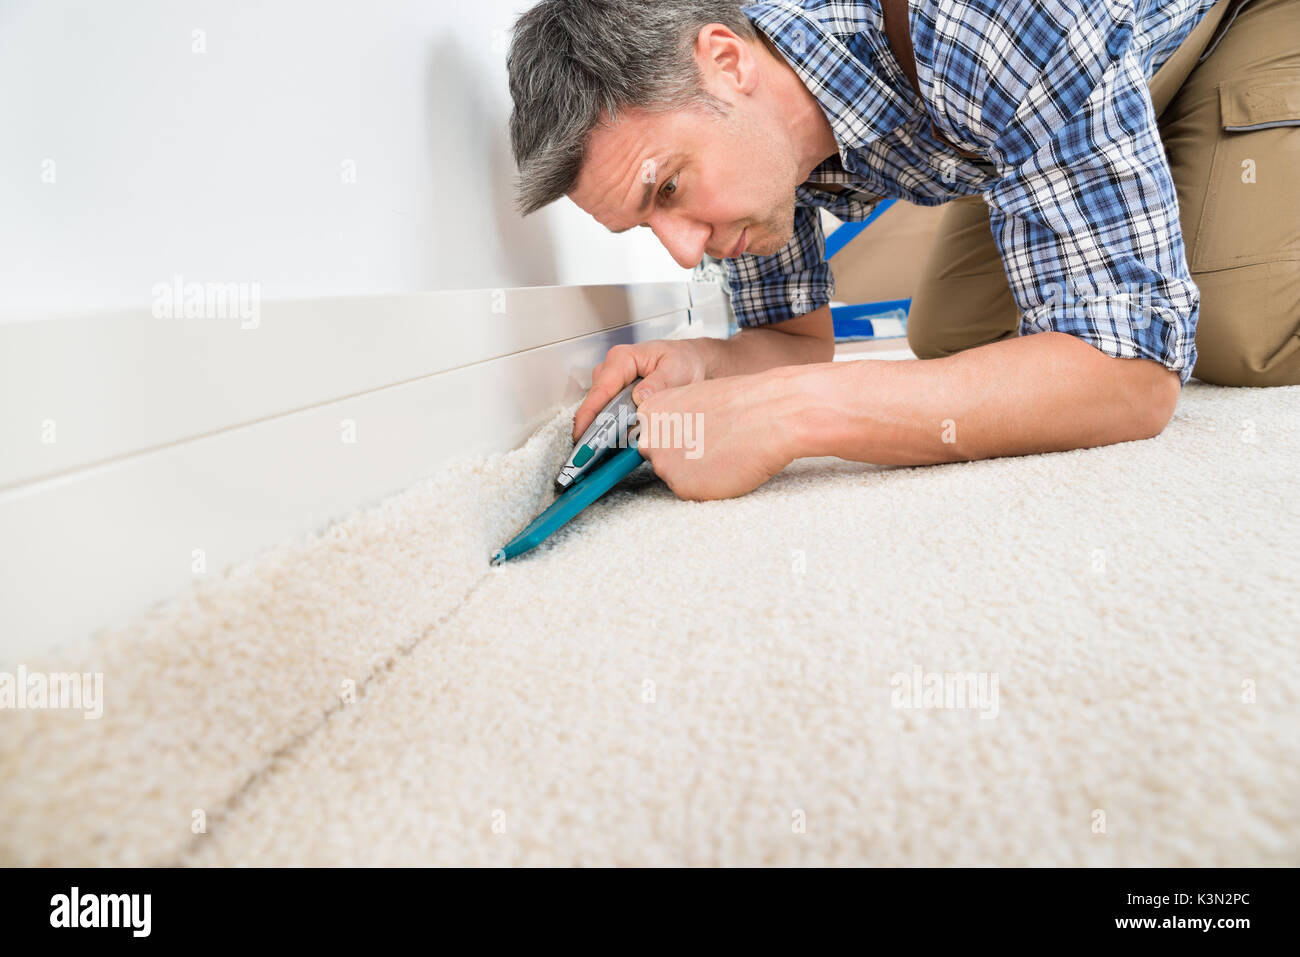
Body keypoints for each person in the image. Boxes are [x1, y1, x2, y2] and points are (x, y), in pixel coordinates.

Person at [507, 0, 1299, 500]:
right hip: (1063, 93)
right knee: (950, 338)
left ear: (725, 60)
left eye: (668, 190)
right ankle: (1116, 166)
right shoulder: (749, 141)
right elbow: (798, 339)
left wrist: (797, 416)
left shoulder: (990, 21)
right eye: (646, 226)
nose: (685, 254)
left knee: (1232, 331)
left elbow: (1133, 381)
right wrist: (704, 365)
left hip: (1222, 23)